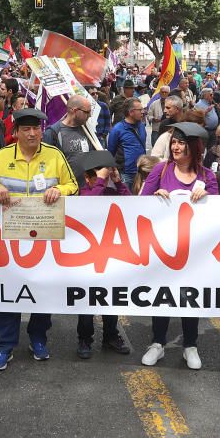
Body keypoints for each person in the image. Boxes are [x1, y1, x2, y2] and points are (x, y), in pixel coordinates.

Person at [0, 109, 78, 371]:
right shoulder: (2, 157)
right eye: (26, 129)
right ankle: (4, 346)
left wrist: (58, 189)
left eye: (36, 128)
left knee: (41, 291)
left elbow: (73, 186)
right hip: (11, 240)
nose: (33, 133)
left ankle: (38, 338)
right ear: (16, 132)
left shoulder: (54, 155)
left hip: (44, 238)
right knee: (9, 293)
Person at [139, 122, 218, 370]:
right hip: (164, 247)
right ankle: (157, 343)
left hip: (195, 251)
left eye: (181, 142)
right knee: (162, 295)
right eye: (174, 141)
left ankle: (190, 345)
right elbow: (139, 204)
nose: (175, 146)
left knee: (189, 297)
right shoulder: (161, 171)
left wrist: (208, 198)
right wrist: (155, 197)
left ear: (194, 147)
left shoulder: (208, 176)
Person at [74, 149, 131, 359]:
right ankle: (84, 338)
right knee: (87, 300)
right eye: (98, 176)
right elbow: (89, 205)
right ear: (88, 177)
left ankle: (110, 335)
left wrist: (118, 183)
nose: (104, 180)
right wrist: (99, 181)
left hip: (112, 254)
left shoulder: (110, 191)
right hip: (87, 256)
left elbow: (132, 206)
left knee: (111, 299)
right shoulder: (84, 192)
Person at [43, 95, 96, 185]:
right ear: (74, 111)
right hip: (65, 190)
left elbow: (94, 157)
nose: (90, 115)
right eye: (87, 112)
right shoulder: (53, 133)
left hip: (87, 190)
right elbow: (46, 164)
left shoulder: (87, 130)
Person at [107, 98, 147, 184]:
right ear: (131, 112)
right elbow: (111, 152)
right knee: (126, 196)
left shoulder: (142, 126)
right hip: (126, 174)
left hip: (141, 172)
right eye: (140, 110)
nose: (143, 112)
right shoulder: (117, 129)